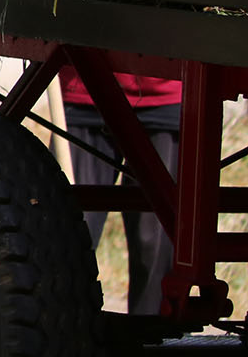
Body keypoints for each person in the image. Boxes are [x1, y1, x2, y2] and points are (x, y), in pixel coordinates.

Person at [60, 68, 182, 316]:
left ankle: (150, 339)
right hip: (84, 89)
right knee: (67, 235)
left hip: (165, 95)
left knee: (154, 243)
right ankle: (64, 330)